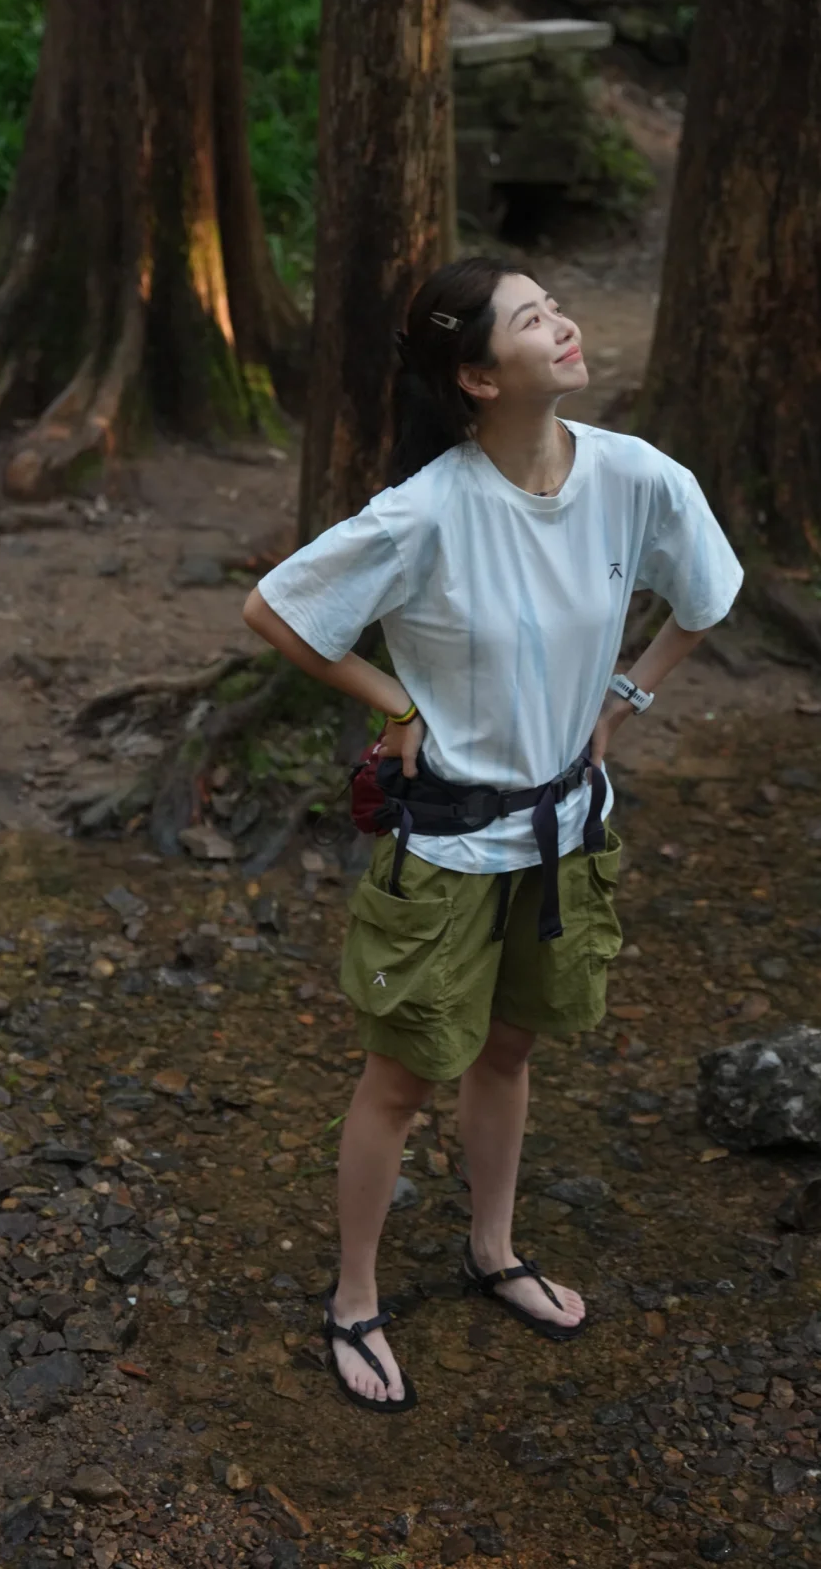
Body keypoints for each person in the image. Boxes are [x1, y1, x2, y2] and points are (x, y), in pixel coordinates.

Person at [242, 255, 743, 1414]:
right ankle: (355, 1296)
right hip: (454, 849)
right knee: (404, 1076)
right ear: (475, 375)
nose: (564, 325)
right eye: (532, 319)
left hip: (567, 831)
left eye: (554, 307)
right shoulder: (426, 511)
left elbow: (706, 593)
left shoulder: (631, 477)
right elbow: (277, 607)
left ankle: (491, 1246)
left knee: (510, 1051)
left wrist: (633, 695)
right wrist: (396, 703)